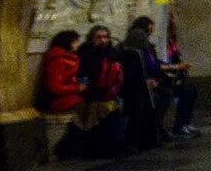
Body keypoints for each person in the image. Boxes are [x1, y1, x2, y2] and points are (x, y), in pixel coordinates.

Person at [62, 25, 128, 160]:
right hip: (91, 94)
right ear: (92, 39)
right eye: (99, 37)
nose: (103, 40)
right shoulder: (85, 53)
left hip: (109, 93)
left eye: (105, 37)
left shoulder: (113, 53)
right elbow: (81, 74)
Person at [117, 19, 164, 150]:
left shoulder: (131, 52)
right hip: (134, 90)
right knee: (152, 101)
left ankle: (154, 133)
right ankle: (148, 136)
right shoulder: (137, 54)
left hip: (137, 87)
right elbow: (149, 68)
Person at [160, 14, 201, 137]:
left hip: (176, 73)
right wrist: (176, 66)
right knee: (185, 92)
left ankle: (185, 122)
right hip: (167, 75)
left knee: (192, 89)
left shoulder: (172, 40)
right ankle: (178, 126)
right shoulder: (164, 40)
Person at [38, 29, 82, 114]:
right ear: (69, 43)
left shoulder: (71, 58)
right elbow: (55, 87)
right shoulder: (58, 60)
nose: (78, 44)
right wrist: (77, 88)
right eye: (76, 41)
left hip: (67, 95)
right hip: (55, 100)